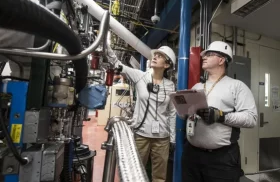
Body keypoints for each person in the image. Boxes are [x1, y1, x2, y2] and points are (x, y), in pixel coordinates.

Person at [181, 41, 258, 182]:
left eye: (209, 55)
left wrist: (220, 115)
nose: (204, 57)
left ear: (221, 60)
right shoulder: (198, 86)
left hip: (221, 159)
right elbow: (185, 113)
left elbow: (251, 118)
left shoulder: (236, 86)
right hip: (191, 154)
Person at [106, 40, 176, 182]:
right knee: (134, 173)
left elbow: (172, 112)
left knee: (160, 177)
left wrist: (172, 138)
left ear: (167, 65)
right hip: (141, 135)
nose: (154, 57)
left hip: (162, 138)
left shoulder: (170, 85)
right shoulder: (140, 76)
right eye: (155, 55)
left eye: (160, 56)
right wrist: (105, 45)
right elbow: (117, 64)